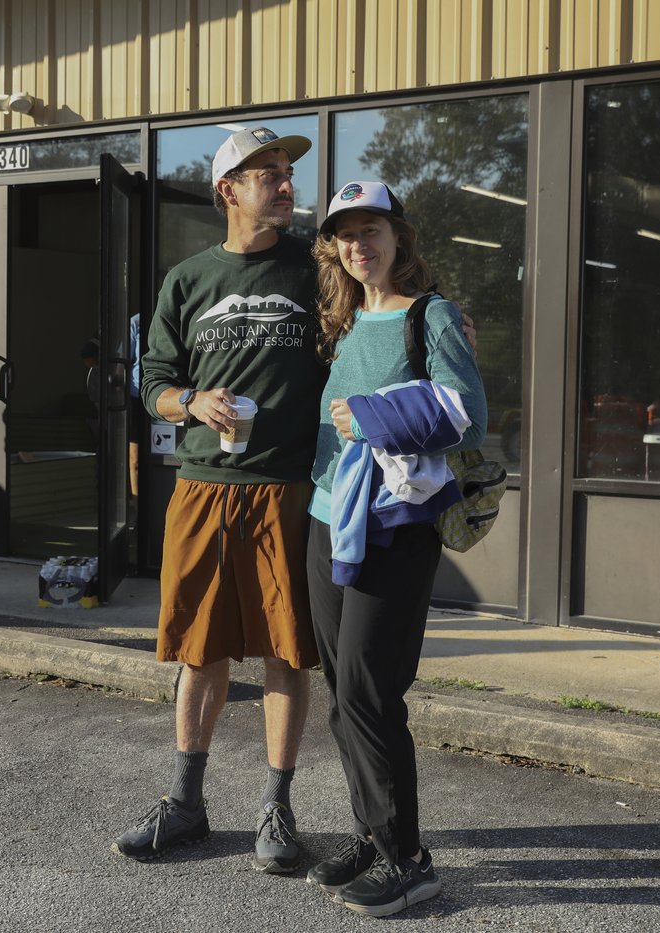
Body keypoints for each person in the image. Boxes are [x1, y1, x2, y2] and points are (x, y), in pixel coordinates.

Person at [115, 126, 326, 874]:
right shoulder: (187, 280)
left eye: (286, 171)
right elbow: (153, 384)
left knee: (283, 648)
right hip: (203, 489)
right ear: (228, 190)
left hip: (287, 490)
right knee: (199, 649)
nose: (284, 182)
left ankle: (278, 805)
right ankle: (186, 803)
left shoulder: (317, 272)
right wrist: (191, 401)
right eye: (267, 172)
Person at [303, 181, 486, 916]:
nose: (360, 245)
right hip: (327, 520)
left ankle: (409, 858)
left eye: (371, 229)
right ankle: (369, 833)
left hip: (393, 528)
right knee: (343, 694)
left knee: (372, 691)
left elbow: (467, 418)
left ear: (399, 236)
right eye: (346, 235)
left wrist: (375, 415)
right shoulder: (346, 320)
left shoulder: (430, 315)